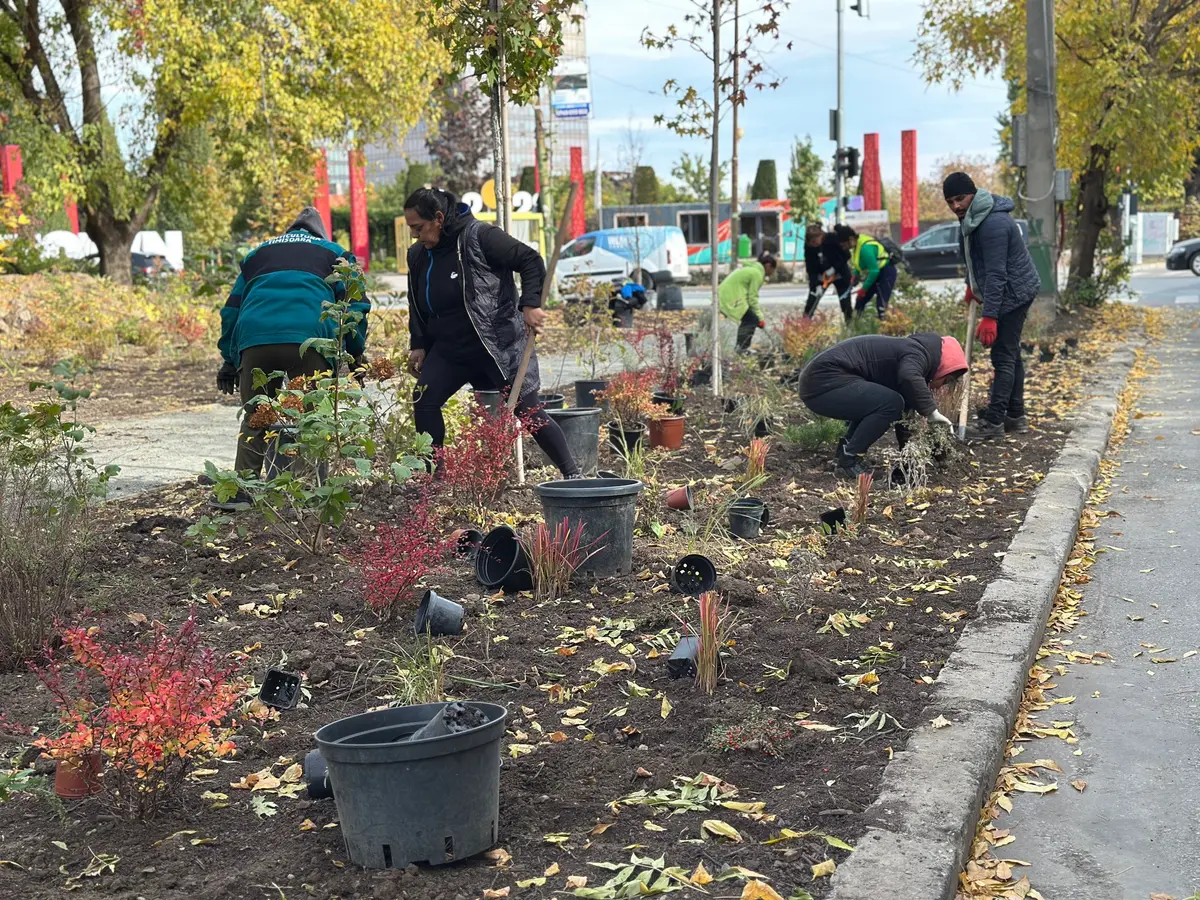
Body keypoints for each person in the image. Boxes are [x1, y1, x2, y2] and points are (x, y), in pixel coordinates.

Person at [403, 188, 580, 478]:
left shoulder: (479, 236)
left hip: (495, 344)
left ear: (437, 218)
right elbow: (415, 300)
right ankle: (433, 481)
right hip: (450, 349)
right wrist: (419, 343)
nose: (415, 235)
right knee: (424, 400)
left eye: (418, 228)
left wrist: (530, 304)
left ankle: (573, 475)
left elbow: (530, 260)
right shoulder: (418, 255)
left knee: (528, 410)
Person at [215, 207, 370, 503]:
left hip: (255, 337)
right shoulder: (334, 252)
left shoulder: (256, 255)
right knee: (312, 415)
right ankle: (304, 492)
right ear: (319, 234)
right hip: (311, 337)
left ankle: (238, 493)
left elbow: (231, 310)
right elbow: (356, 307)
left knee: (256, 416)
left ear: (288, 233)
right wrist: (355, 355)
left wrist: (229, 360)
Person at [943, 172, 1041, 441]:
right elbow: (975, 259)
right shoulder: (973, 218)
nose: (956, 206)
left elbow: (997, 274)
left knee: (1003, 357)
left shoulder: (992, 224)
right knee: (1010, 353)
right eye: (950, 201)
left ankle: (995, 423)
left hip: (1013, 292)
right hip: (1009, 288)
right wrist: (970, 284)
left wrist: (990, 317)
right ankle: (1015, 415)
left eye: (960, 199)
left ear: (973, 194)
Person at [797, 333, 968, 479]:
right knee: (890, 403)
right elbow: (908, 377)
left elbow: (905, 418)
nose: (939, 387)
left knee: (883, 402)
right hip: (822, 383)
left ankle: (844, 455)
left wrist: (910, 460)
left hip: (823, 382)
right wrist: (931, 412)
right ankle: (848, 462)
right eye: (944, 381)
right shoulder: (916, 354)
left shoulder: (915, 356)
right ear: (943, 368)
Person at [718, 251, 776, 352]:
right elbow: (752, 298)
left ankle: (741, 347)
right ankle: (741, 349)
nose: (773, 273)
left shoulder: (753, 269)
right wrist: (760, 317)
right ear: (768, 266)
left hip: (727, 296)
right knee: (751, 319)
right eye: (773, 269)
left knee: (750, 319)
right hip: (731, 298)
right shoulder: (757, 273)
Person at [839, 226, 898, 319]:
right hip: (877, 274)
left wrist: (864, 289)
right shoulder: (856, 246)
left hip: (886, 273)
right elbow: (859, 263)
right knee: (860, 301)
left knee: (881, 304)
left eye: (844, 245)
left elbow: (874, 271)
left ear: (850, 239)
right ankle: (856, 327)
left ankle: (885, 328)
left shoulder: (865, 248)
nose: (844, 248)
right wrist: (856, 274)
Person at [804, 225, 855, 321]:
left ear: (821, 236)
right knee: (811, 302)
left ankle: (850, 326)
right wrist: (815, 285)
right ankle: (804, 326)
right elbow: (810, 266)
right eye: (812, 243)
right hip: (821, 277)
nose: (814, 245)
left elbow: (846, 255)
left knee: (845, 304)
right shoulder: (809, 246)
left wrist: (834, 268)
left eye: (815, 242)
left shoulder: (833, 238)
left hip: (840, 274)